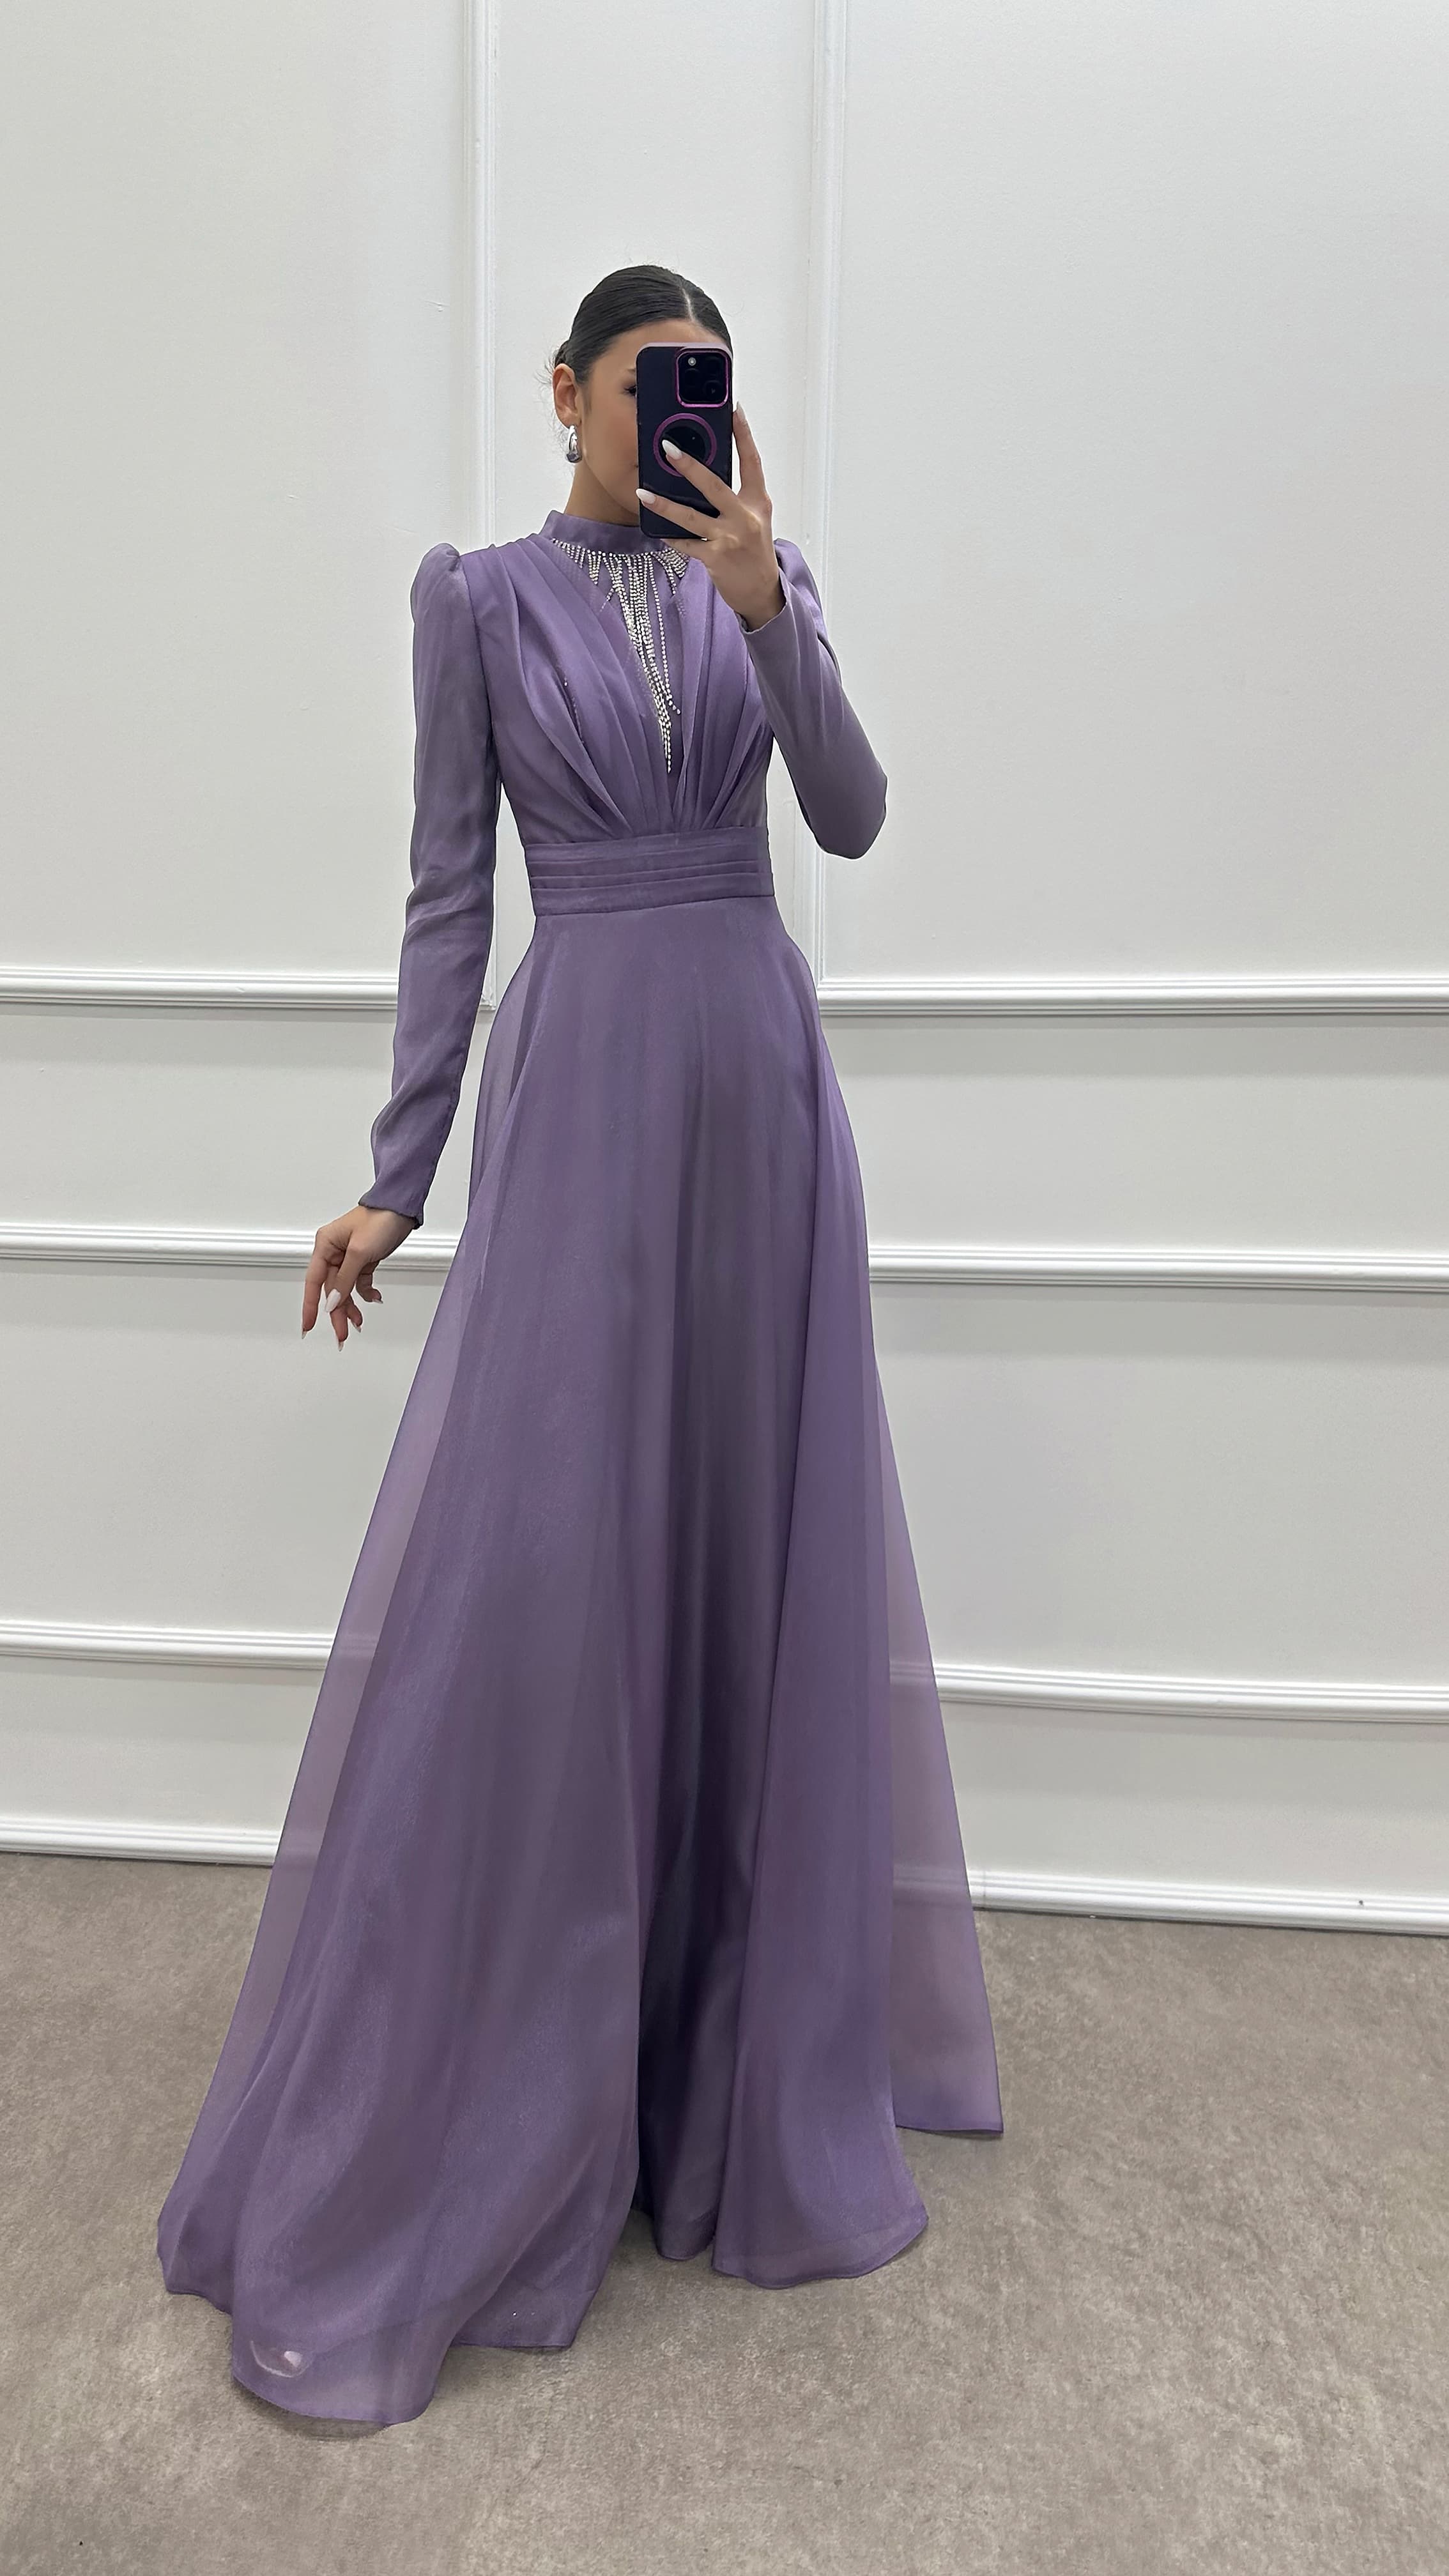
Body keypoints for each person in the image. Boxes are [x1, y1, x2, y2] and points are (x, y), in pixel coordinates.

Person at [156, 264, 1002, 2429]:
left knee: (743, 1549)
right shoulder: (477, 603)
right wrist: (397, 1173)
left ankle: (728, 2056)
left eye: (707, 385)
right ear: (566, 394)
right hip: (586, 1096)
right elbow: (451, 893)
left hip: (758, 1098)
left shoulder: (759, 577)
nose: (681, 415)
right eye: (649, 385)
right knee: (549, 1575)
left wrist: (765, 608)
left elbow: (850, 815)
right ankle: (519, 2066)